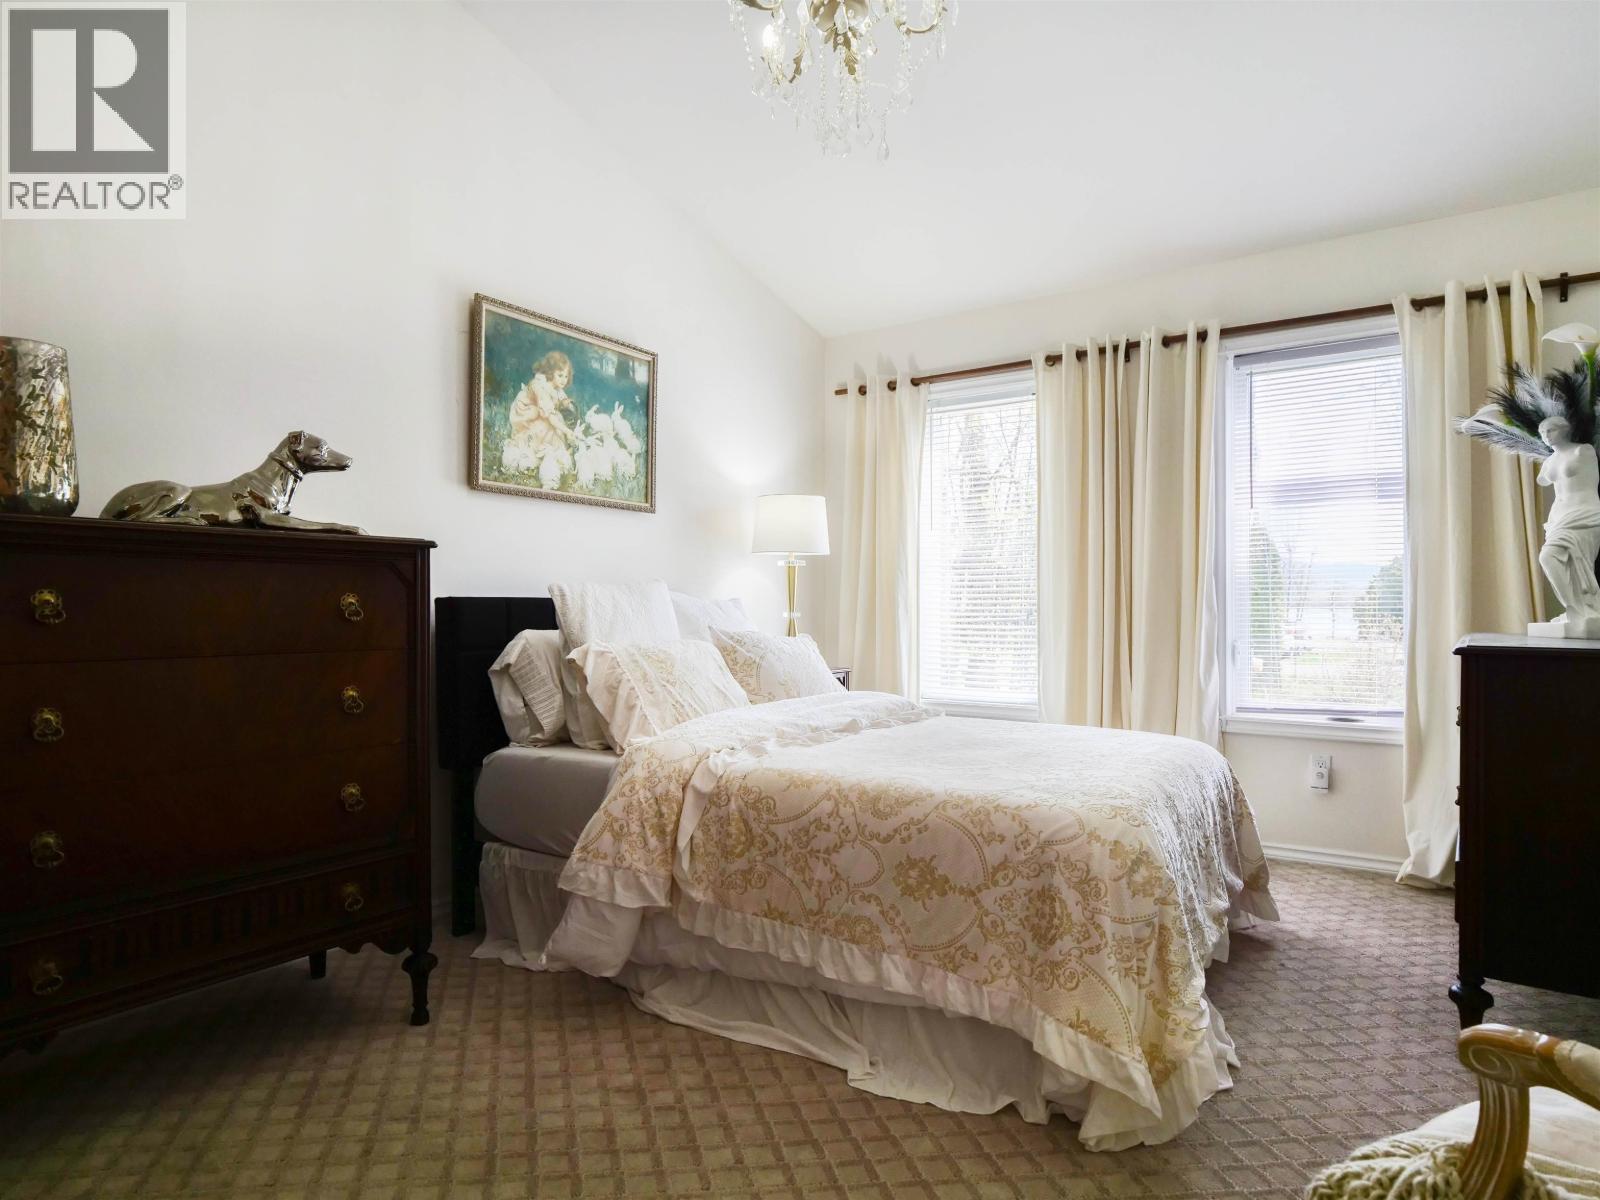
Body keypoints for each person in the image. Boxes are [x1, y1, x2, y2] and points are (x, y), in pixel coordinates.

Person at [1535, 414, 1600, 628]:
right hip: (1559, 518)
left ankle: (1583, 610)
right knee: (1551, 558)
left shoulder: (1583, 451)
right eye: (1542, 432)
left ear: (1564, 429)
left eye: (1550, 430)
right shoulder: (1549, 462)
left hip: (1584, 513)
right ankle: (1575, 609)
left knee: (1566, 559)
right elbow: (1544, 480)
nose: (1546, 436)